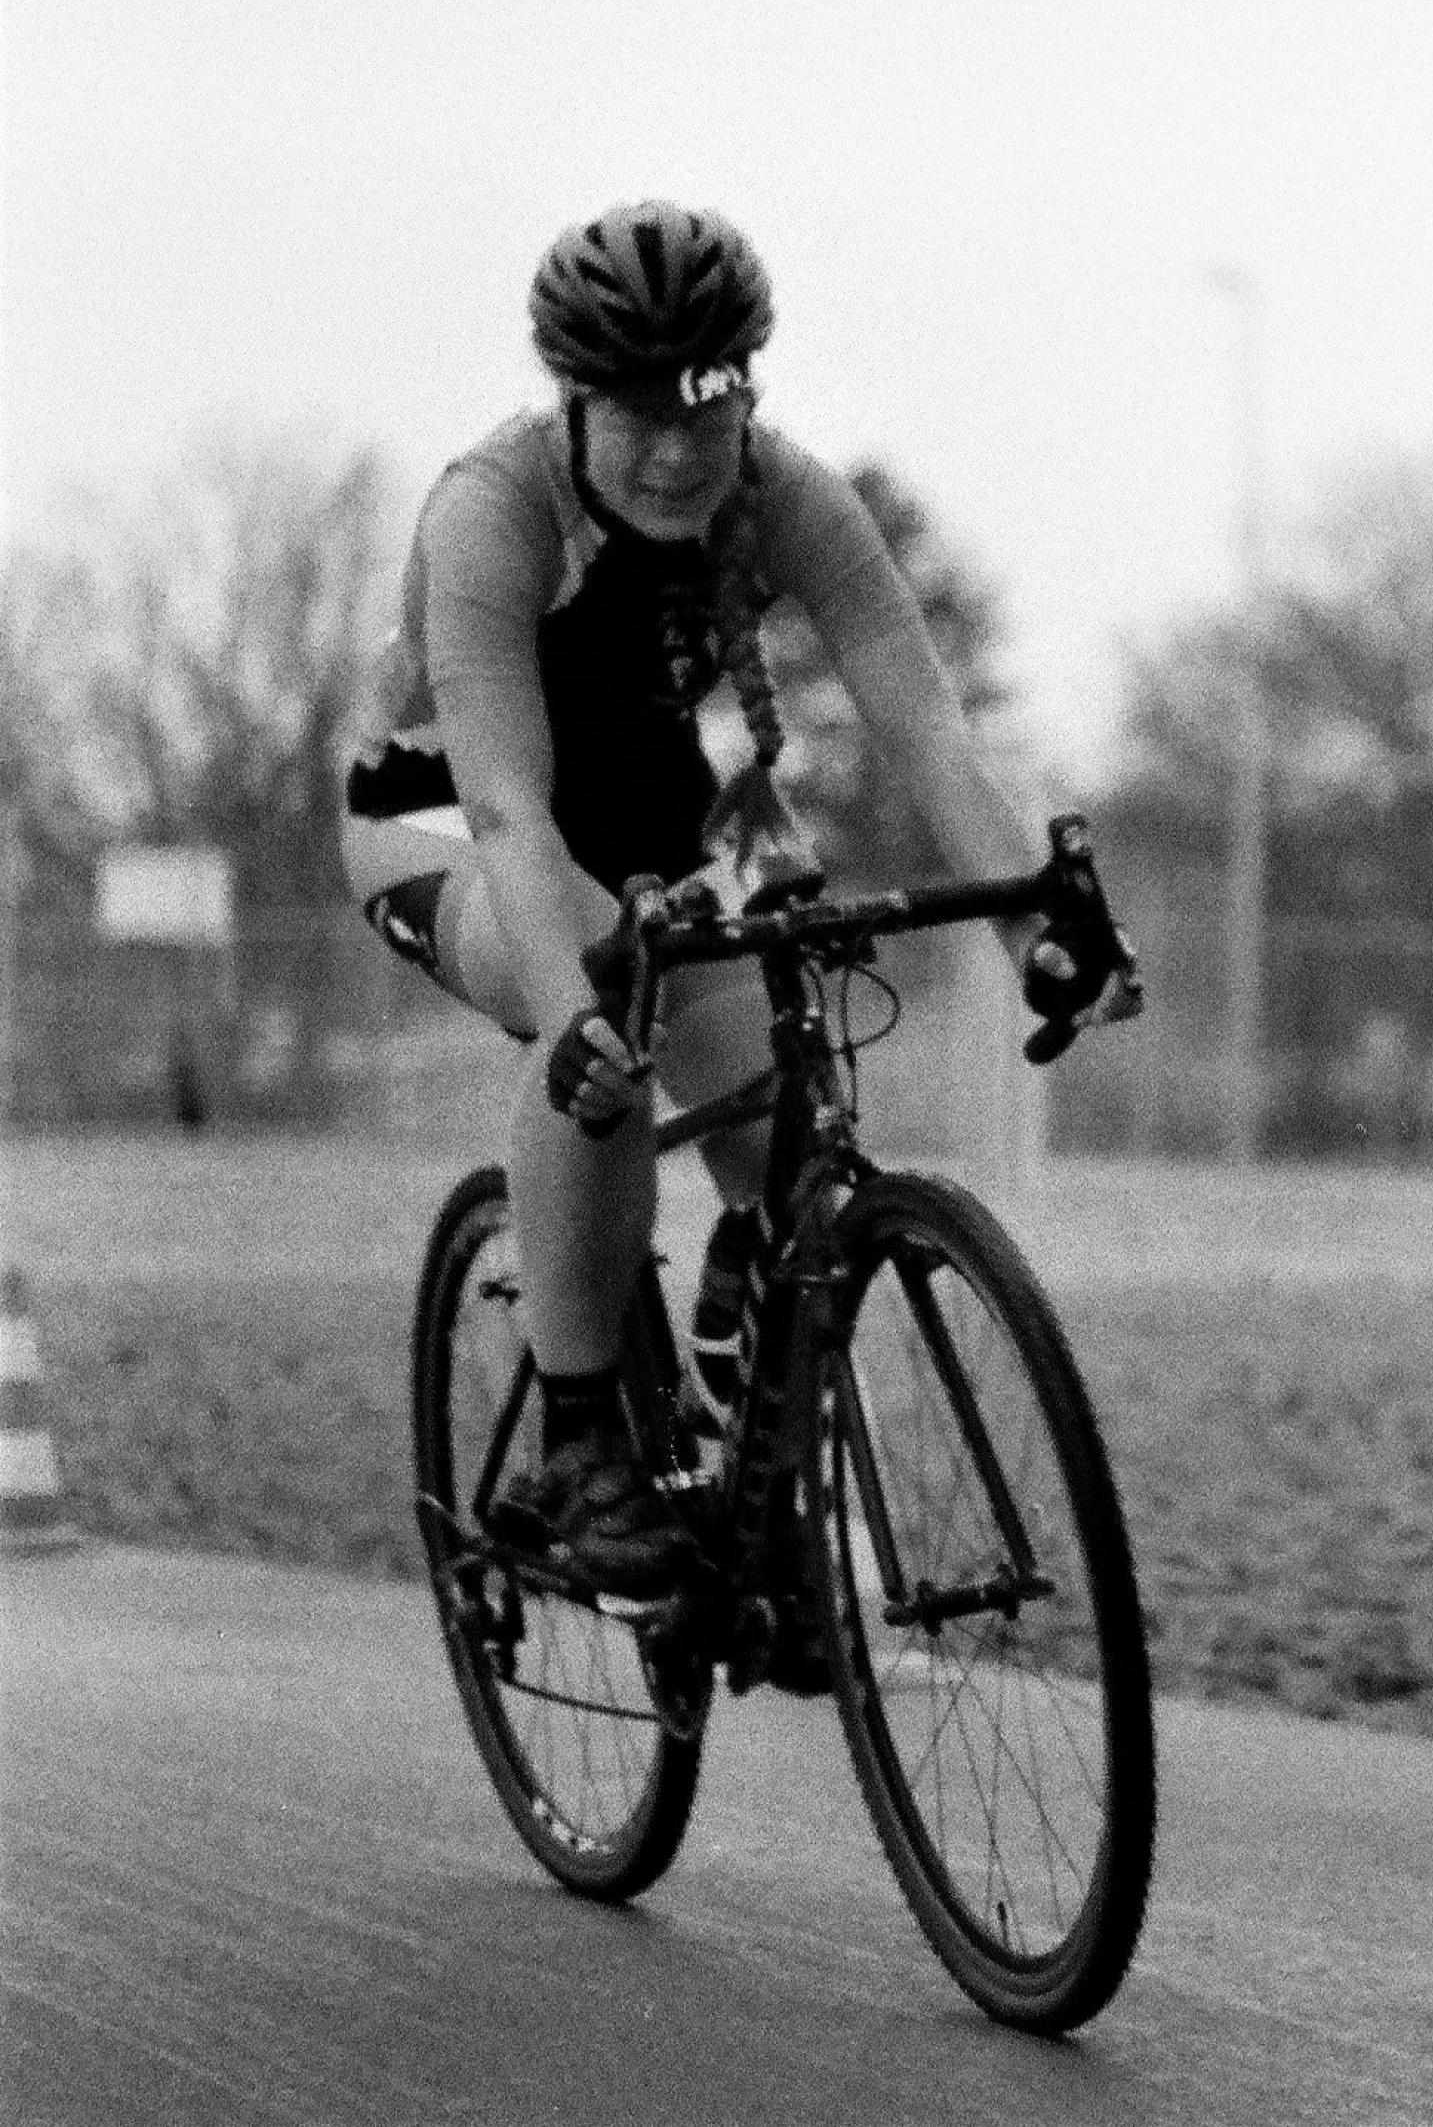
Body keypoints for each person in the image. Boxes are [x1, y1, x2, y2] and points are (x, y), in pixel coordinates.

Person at [340, 199, 1137, 1594]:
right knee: (587, 982)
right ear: (573, 401)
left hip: (647, 815)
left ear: (746, 393)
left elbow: (933, 737)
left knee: (780, 1113)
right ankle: (579, 1435)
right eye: (636, 419)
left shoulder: (791, 497)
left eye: (703, 418)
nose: (673, 455)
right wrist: (581, 1011)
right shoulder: (492, 508)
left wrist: (1037, 931)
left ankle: (741, 1312)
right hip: (444, 813)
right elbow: (512, 809)